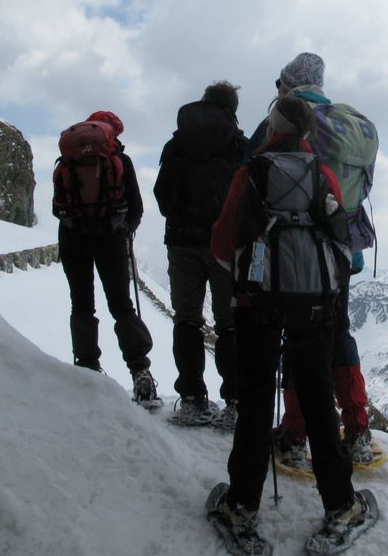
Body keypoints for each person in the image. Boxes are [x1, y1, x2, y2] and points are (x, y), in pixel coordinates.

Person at [207, 96, 377, 555]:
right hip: (316, 304)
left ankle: (241, 505)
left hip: (258, 302)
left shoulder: (252, 173)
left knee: (258, 397)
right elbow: (339, 237)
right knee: (319, 397)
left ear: (271, 128)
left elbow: (223, 244)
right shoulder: (321, 173)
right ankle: (342, 504)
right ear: (307, 134)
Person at [246, 53, 376, 466]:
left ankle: (294, 435)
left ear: (286, 84)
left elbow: (252, 178)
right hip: (344, 250)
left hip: (297, 257)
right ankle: (357, 431)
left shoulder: (284, 120)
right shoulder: (347, 126)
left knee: (298, 339)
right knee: (338, 333)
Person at [153, 81, 245, 429]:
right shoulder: (238, 144)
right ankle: (235, 401)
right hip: (224, 246)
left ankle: (192, 398)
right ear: (231, 109)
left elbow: (163, 194)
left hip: (181, 242)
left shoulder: (177, 142)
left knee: (187, 318)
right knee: (230, 323)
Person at [53, 110, 159, 407]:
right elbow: (135, 206)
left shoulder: (67, 162)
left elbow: (56, 208)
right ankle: (141, 372)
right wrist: (124, 229)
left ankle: (87, 368)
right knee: (122, 305)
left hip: (74, 241)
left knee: (82, 305)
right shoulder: (119, 161)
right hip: (110, 240)